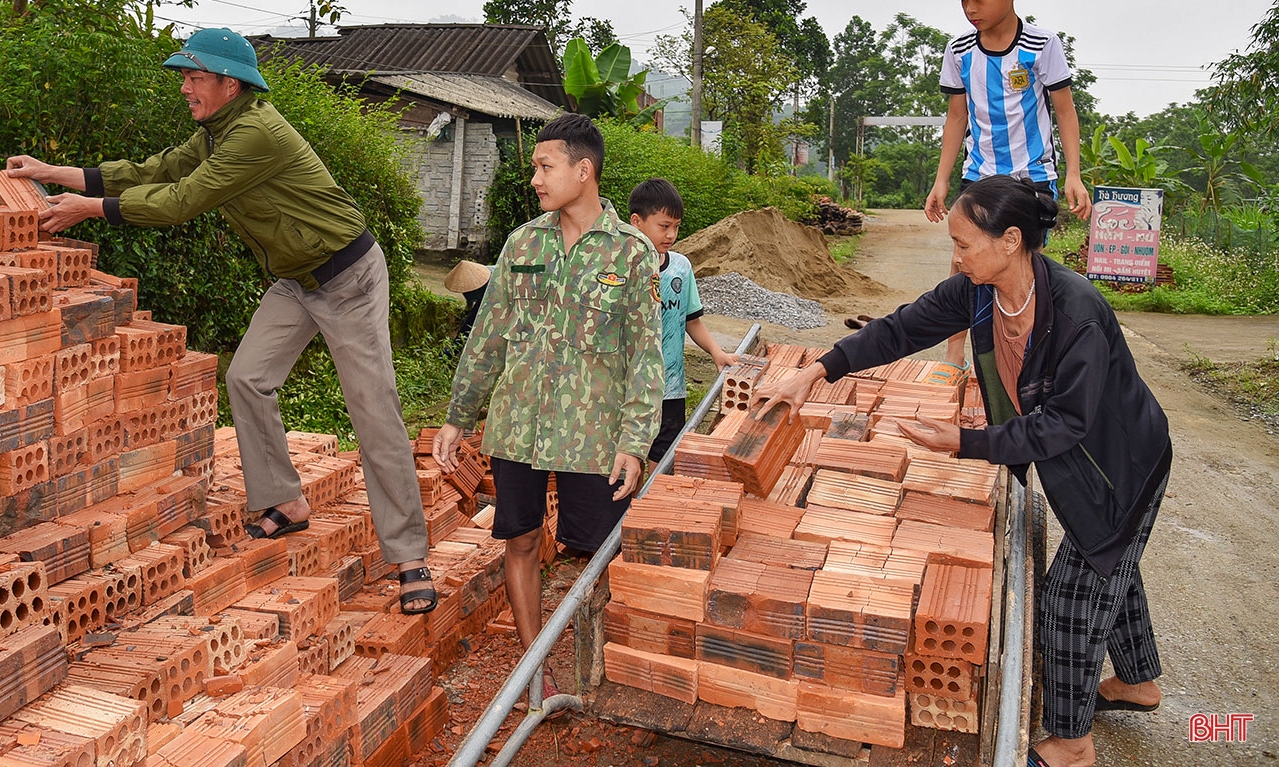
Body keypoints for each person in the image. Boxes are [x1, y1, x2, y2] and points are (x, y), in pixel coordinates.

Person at [7, 27, 436, 614]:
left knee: (373, 410)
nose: (184, 87)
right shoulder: (216, 133)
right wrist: (60, 173)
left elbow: (183, 200)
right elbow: (155, 170)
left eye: (194, 77)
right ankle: (286, 502)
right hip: (296, 279)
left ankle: (410, 556)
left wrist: (93, 210)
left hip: (348, 277)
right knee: (247, 377)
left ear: (228, 83)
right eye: (184, 76)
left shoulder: (255, 133)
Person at [753, 176, 1171, 767]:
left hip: (1118, 466)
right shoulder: (978, 293)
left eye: (964, 243)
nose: (955, 256)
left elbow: (1064, 426)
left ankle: (1072, 744)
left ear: (1011, 241)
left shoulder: (1077, 313)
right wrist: (815, 372)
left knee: (1070, 597)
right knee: (1112, 563)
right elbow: (898, 329)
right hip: (1082, 458)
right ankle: (1139, 682)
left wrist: (966, 441)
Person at [433, 114, 662, 702]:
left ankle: (595, 669)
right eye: (536, 167)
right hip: (518, 429)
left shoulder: (632, 253)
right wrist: (459, 415)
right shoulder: (523, 244)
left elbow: (644, 358)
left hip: (593, 434)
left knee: (597, 556)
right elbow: (488, 334)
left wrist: (635, 442)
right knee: (523, 542)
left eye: (545, 166)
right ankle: (533, 671)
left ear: (582, 171)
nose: (535, 178)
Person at [924, 0, 1093, 371]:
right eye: (963, 0)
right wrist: (942, 180)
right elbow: (956, 118)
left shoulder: (1041, 44)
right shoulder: (959, 52)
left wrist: (1073, 174)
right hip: (979, 176)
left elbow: (1065, 111)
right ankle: (954, 354)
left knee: (1022, 270)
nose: (970, 9)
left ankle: (1022, 358)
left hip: (1031, 179)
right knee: (964, 260)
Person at [625, 178, 737, 463]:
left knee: (662, 462)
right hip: (630, 388)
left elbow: (692, 320)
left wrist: (716, 352)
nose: (671, 234)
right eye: (664, 226)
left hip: (671, 388)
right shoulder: (621, 268)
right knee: (628, 462)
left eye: (676, 226)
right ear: (636, 222)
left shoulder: (680, 267)